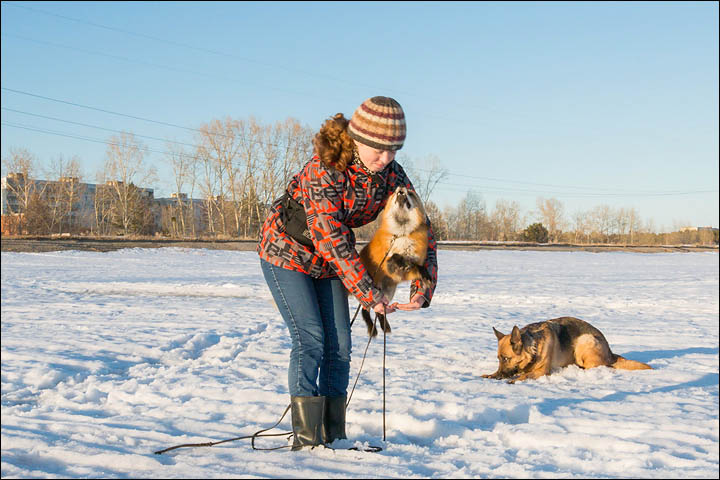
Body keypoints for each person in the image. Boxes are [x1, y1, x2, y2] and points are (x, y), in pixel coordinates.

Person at [257, 96, 438, 450]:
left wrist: (422, 285)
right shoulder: (324, 169)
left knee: (339, 346)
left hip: (329, 262)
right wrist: (370, 294)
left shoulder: (391, 175)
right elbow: (332, 238)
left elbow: (418, 227)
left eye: (393, 150)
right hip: (285, 253)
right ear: (356, 137)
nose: (385, 159)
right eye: (378, 149)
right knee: (310, 340)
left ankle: (333, 436)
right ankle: (307, 440)